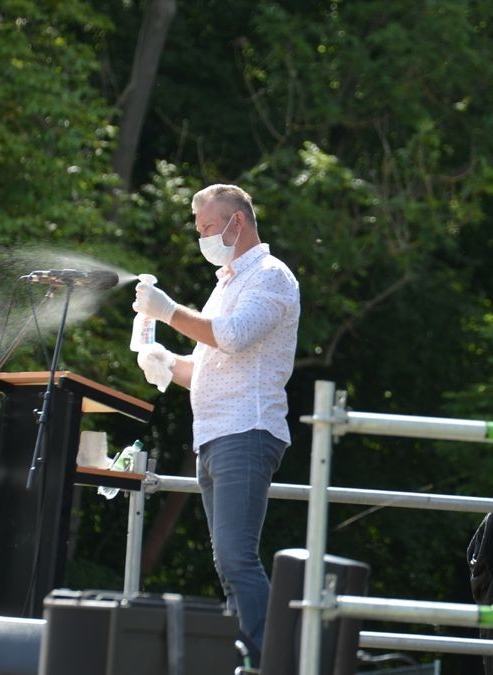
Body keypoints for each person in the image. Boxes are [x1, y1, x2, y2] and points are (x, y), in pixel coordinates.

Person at [132, 183, 300, 665]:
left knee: (236, 558)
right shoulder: (226, 282)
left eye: (207, 227)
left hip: (246, 432)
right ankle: (246, 655)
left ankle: (265, 659)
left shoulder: (271, 276)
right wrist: (168, 363)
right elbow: (210, 363)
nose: (202, 236)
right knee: (228, 563)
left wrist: (168, 312)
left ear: (237, 223)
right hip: (216, 435)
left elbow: (233, 336)